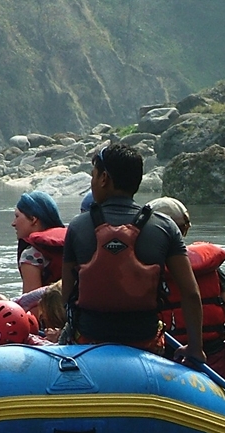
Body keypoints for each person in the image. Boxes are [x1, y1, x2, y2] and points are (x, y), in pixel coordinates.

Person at [62, 143, 205, 362]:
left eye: (94, 175)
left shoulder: (77, 227)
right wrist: (195, 348)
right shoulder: (165, 227)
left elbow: (67, 295)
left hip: (89, 341)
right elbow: (191, 293)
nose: (92, 182)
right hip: (145, 341)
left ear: (104, 179)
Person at [147, 196, 225, 397]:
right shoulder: (211, 270)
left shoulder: (145, 272)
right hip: (215, 367)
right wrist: (219, 356)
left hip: (166, 370)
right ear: (185, 229)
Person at [13, 190, 65, 294]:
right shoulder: (73, 241)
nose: (13, 223)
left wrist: (6, 301)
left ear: (33, 220)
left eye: (17, 216)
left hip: (50, 310)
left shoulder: (31, 255)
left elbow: (32, 305)